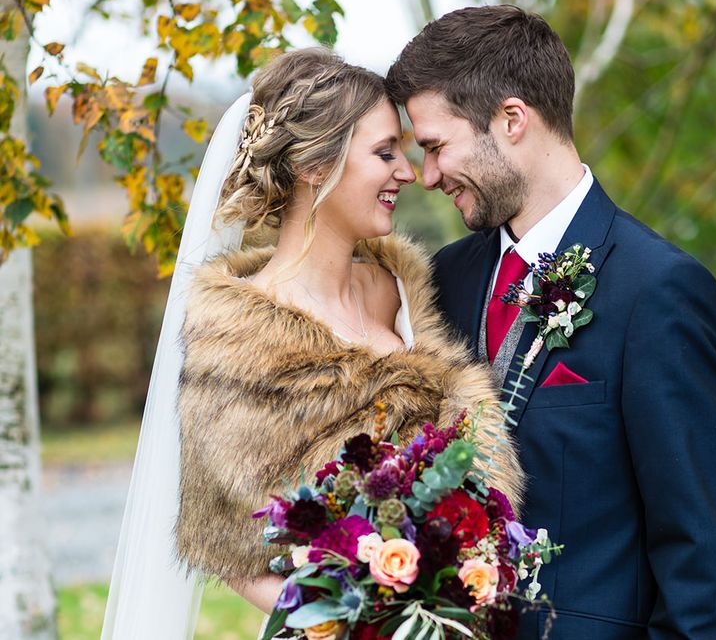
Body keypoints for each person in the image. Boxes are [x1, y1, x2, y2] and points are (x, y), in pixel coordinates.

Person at [101, 48, 523, 639]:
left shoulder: (405, 291)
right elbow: (227, 546)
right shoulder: (236, 341)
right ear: (314, 167)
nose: (407, 172)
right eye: (384, 152)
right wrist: (374, 622)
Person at [385, 5, 716, 640]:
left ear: (512, 119)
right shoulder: (442, 280)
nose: (431, 175)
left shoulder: (659, 290)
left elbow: (702, 565)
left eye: (437, 146)